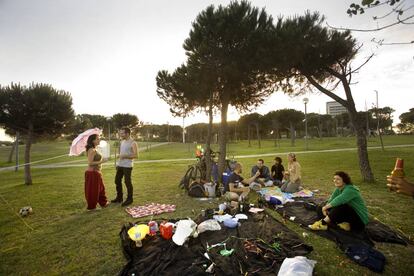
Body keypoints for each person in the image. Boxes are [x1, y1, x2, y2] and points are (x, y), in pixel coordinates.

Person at [111, 127, 138, 206]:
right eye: (120, 133)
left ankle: (130, 199)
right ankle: (119, 198)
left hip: (127, 166)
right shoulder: (122, 142)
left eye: (122, 133)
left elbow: (136, 155)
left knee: (127, 182)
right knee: (117, 181)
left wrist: (124, 156)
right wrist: (118, 162)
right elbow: (121, 154)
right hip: (120, 165)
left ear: (127, 133)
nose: (121, 134)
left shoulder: (133, 143)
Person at [84, 134, 109, 210]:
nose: (99, 140)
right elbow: (90, 163)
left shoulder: (95, 149)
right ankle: (92, 207)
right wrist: (102, 161)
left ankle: (103, 203)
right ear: (93, 141)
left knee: (101, 189)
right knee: (93, 191)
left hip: (97, 173)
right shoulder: (91, 150)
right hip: (92, 173)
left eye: (99, 139)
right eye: (97, 139)